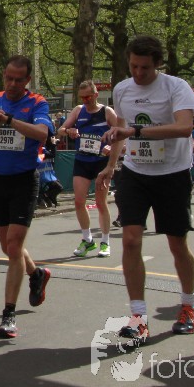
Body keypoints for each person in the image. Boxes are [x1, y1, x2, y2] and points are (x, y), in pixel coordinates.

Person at [99, 34, 194, 346]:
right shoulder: (122, 89)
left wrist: (138, 130)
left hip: (172, 173)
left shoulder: (176, 87)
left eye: (145, 67)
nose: (138, 73)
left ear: (157, 64)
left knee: (176, 244)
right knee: (130, 241)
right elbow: (122, 131)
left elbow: (185, 127)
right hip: (135, 172)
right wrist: (111, 165)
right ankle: (138, 318)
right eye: (133, 66)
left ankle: (189, 304)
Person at [0, 55, 54, 339]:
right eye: (9, 78)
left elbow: (42, 134)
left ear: (27, 80)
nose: (13, 84)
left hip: (24, 180)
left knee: (15, 246)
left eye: (19, 79)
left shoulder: (37, 102)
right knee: (8, 247)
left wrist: (10, 120)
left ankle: (9, 314)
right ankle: (36, 274)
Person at [58, 79, 116, 257]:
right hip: (82, 160)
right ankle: (87, 240)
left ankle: (105, 242)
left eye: (88, 97)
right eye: (82, 97)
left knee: (100, 203)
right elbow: (60, 130)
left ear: (96, 95)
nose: (85, 101)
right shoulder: (78, 110)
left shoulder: (107, 112)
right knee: (78, 202)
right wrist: (69, 131)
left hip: (100, 162)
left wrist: (111, 147)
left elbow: (122, 134)